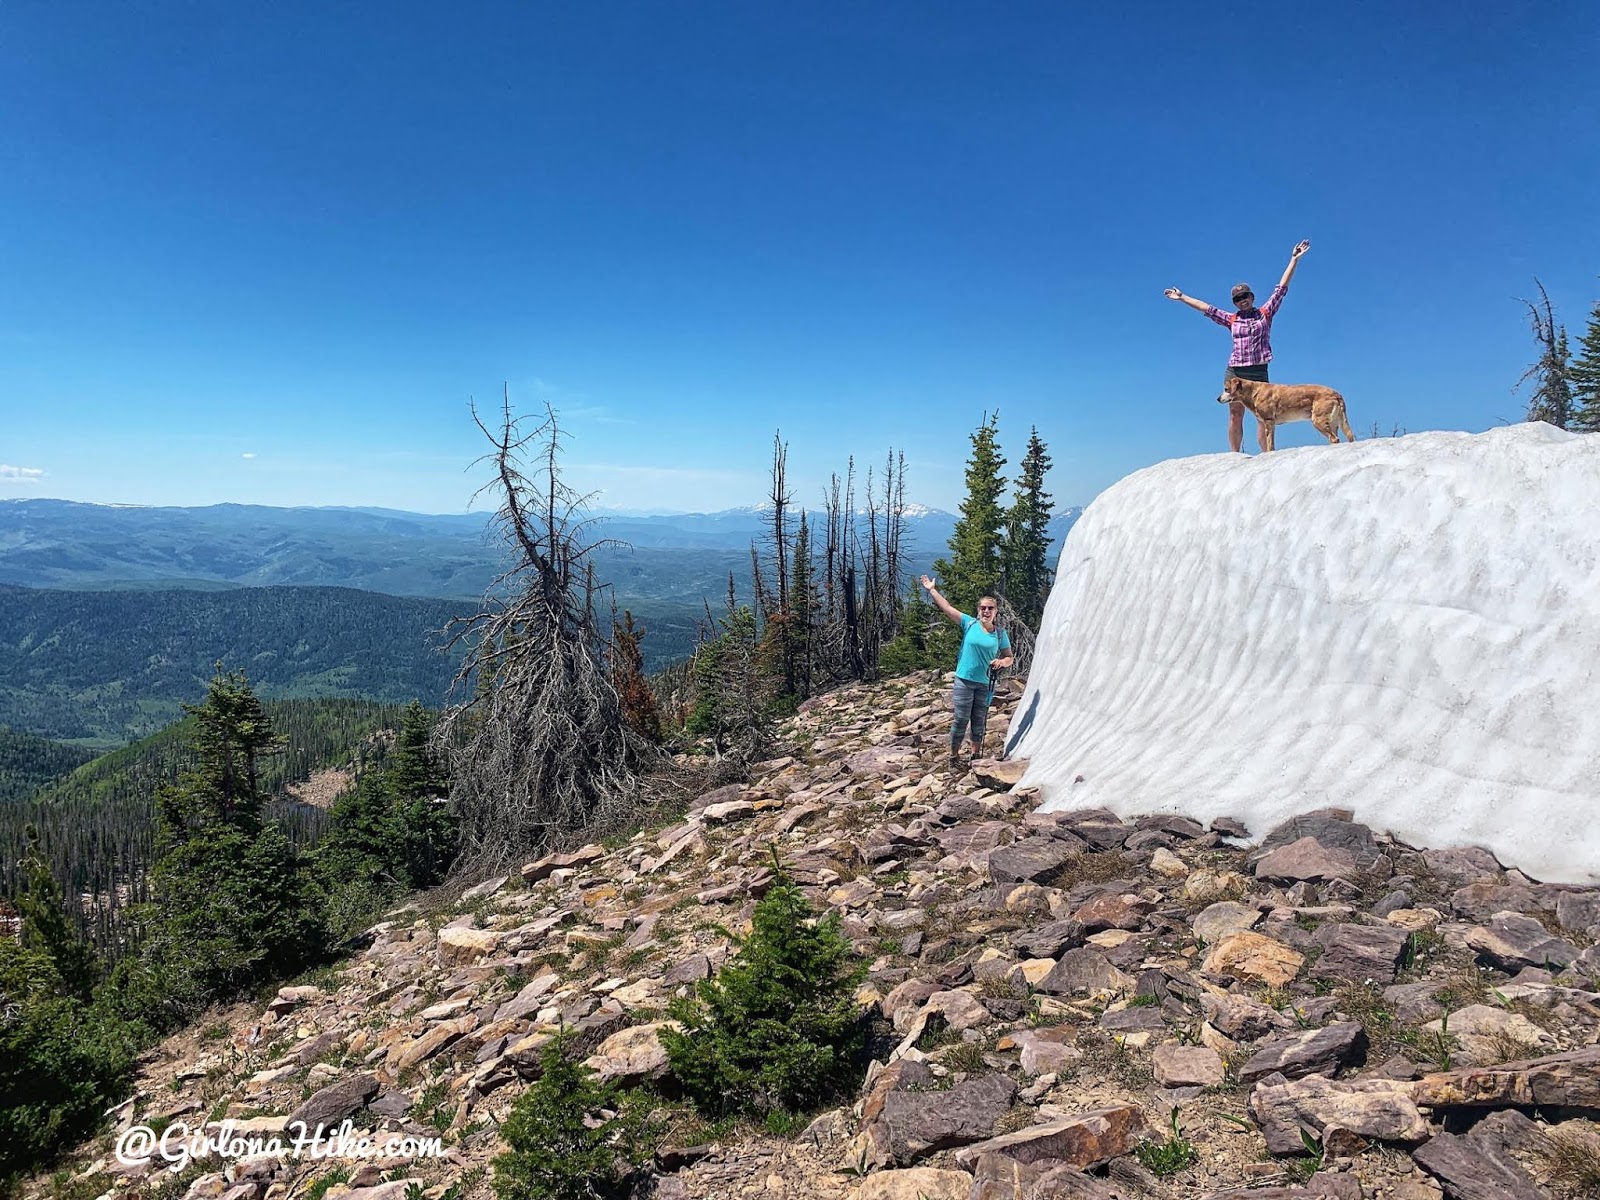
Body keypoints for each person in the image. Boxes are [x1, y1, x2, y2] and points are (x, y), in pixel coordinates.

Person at [1165, 240, 1311, 452]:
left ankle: (1267, 454)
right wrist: (1182, 297)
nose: (1242, 300)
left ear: (1252, 297)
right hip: (1236, 371)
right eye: (1237, 298)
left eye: (1245, 296)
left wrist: (1294, 259)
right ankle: (1234, 456)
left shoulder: (1265, 313)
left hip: (1258, 370)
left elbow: (1281, 289)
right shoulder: (1232, 319)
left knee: (1263, 415)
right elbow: (1208, 309)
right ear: (1234, 302)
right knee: (1235, 412)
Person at [919, 575, 1014, 768]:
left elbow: (1009, 657)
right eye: (983, 608)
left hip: (985, 683)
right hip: (964, 680)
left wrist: (1001, 662)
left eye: (990, 608)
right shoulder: (969, 624)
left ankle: (974, 756)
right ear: (978, 610)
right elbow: (946, 608)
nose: (986, 611)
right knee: (961, 719)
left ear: (995, 611)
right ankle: (954, 756)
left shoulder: (1000, 634)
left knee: (978, 721)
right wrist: (931, 589)